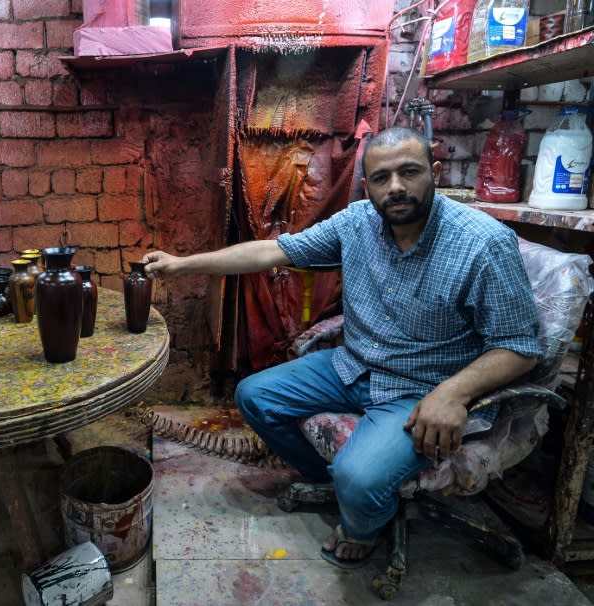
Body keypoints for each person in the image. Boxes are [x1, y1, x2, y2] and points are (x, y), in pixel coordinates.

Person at [141, 127, 541, 568]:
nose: (396, 188)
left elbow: (520, 346)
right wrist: (181, 266)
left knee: (360, 476)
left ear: (436, 172)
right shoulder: (357, 223)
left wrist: (454, 393)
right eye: (381, 177)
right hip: (355, 365)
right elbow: (271, 252)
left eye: (409, 172)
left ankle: (364, 524)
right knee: (254, 396)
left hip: (423, 388)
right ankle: (336, 481)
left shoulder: (483, 243)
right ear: (366, 184)